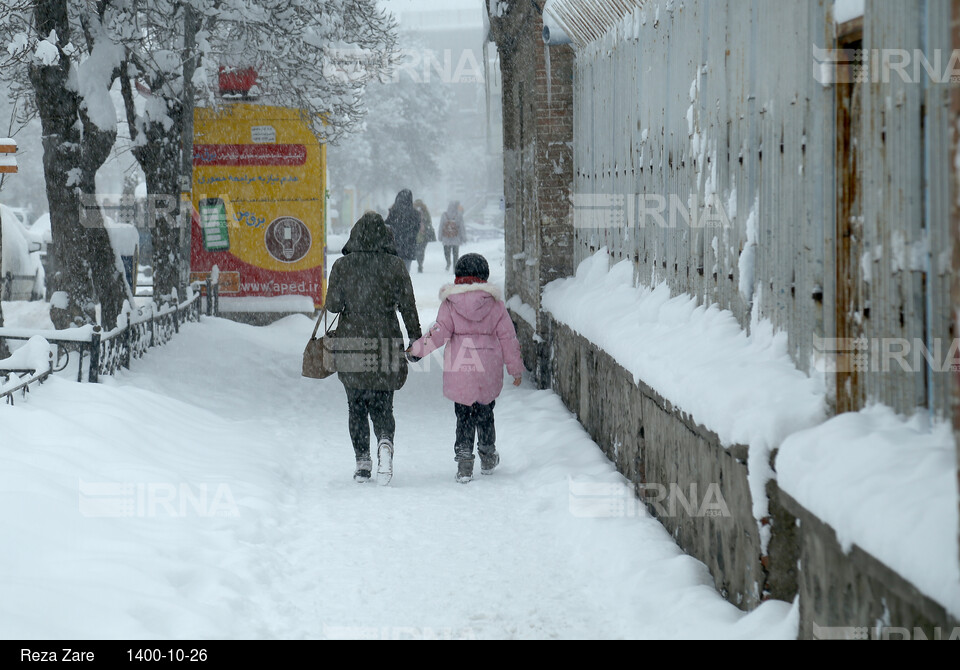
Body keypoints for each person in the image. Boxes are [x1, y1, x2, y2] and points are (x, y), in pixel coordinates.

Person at [407, 253, 524, 484]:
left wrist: (417, 351)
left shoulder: (450, 304)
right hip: (487, 369)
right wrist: (515, 369)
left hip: (461, 367)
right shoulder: (495, 305)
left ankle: (464, 460)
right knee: (485, 413)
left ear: (458, 277)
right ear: (484, 276)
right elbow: (508, 338)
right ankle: (488, 454)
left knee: (464, 416)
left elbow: (439, 332)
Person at [325, 212, 422, 485]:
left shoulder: (342, 266)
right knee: (383, 404)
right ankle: (385, 443)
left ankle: (362, 461)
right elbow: (408, 307)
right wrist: (416, 338)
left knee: (355, 405)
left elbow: (333, 305)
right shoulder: (395, 266)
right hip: (385, 340)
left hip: (352, 341)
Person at [385, 189, 420, 273]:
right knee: (405, 271)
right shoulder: (415, 214)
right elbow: (416, 229)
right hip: (409, 247)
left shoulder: (393, 212)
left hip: (394, 247)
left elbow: (387, 226)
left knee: (393, 272)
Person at [438, 201, 467, 272]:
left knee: (446, 253)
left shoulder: (444, 215)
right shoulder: (459, 215)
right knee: (455, 254)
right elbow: (461, 227)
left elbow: (441, 226)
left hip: (446, 238)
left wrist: (440, 236)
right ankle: (455, 267)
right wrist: (463, 237)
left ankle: (448, 262)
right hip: (455, 238)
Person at [413, 199, 435, 273]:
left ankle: (420, 264)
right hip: (423, 234)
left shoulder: (413, 211)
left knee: (419, 250)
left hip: (417, 235)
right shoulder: (425, 212)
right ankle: (420, 264)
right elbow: (429, 222)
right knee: (421, 251)